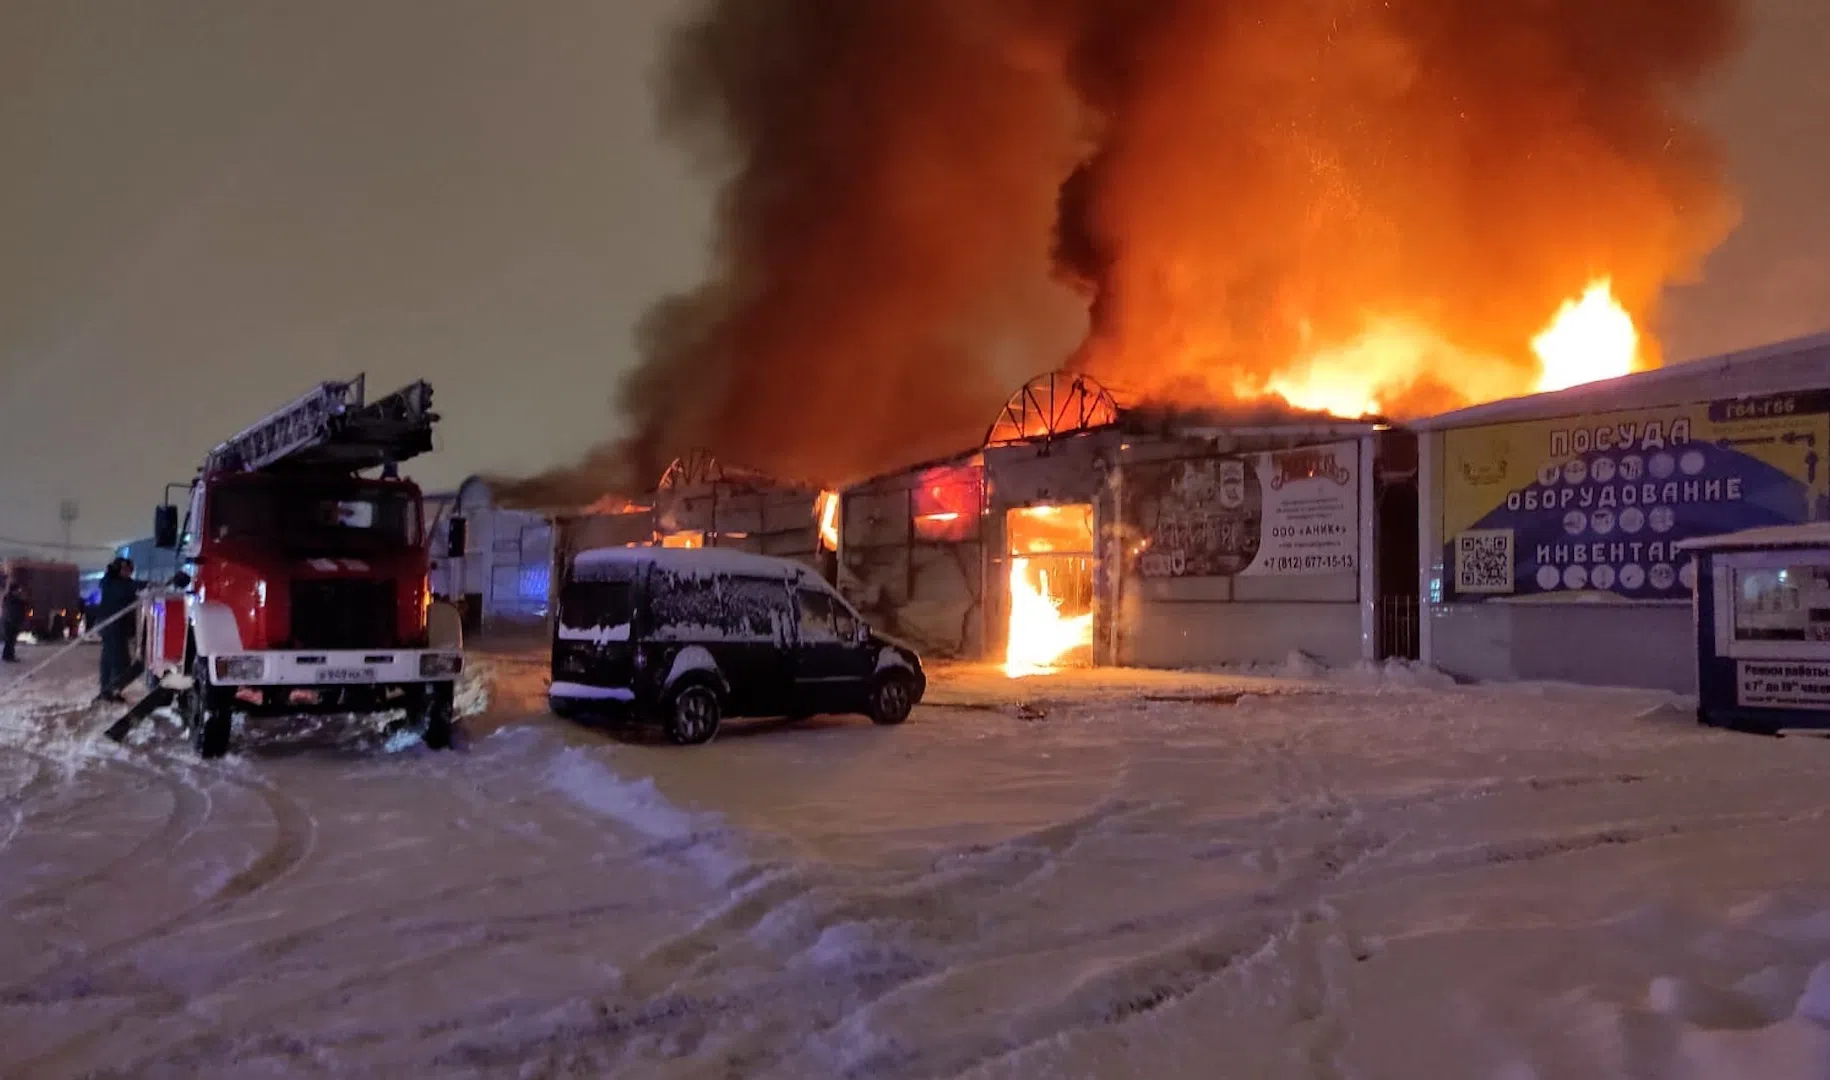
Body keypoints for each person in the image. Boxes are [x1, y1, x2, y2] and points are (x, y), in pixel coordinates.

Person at [94, 558, 146, 702]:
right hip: (112, 627)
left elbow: (133, 586)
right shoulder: (111, 584)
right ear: (117, 570)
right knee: (118, 660)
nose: (129, 574)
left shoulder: (122, 583)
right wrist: (148, 585)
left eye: (130, 571)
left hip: (117, 628)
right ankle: (111, 690)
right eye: (126, 571)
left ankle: (108, 690)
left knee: (110, 660)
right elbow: (127, 590)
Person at [1, 580, 26, 663]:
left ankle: (8, 655)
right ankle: (8, 656)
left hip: (9, 621)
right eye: (18, 589)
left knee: (10, 640)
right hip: (11, 622)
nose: (19, 591)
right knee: (10, 640)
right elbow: (16, 611)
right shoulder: (13, 599)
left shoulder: (9, 598)